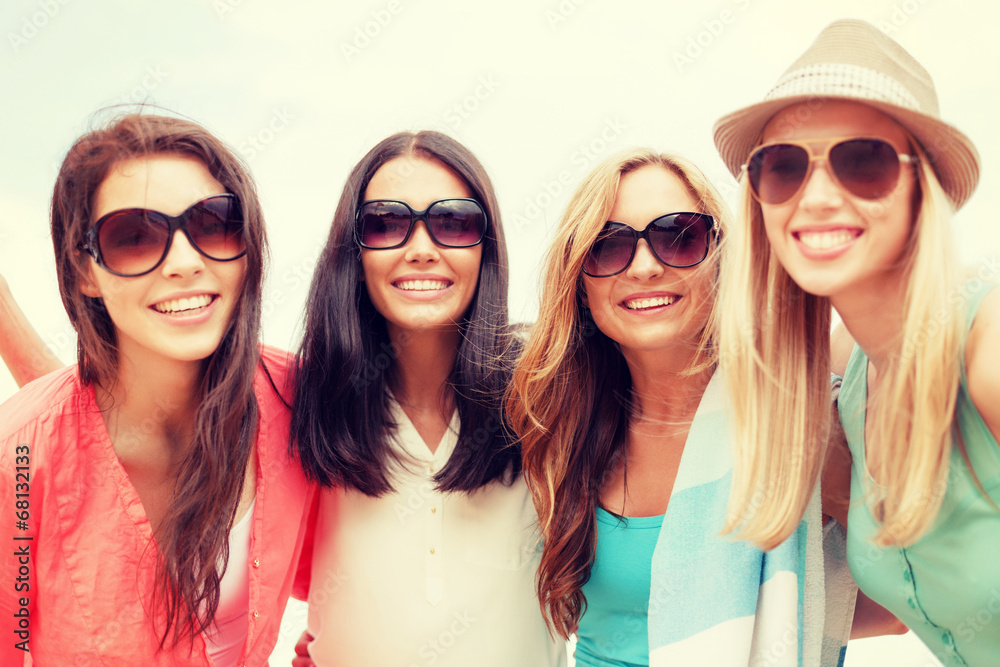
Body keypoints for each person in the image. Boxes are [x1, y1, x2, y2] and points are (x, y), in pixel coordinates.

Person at [714, 19, 999, 666]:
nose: (815, 198)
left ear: (922, 188)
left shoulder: (986, 350)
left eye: (862, 160)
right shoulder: (847, 382)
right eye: (783, 166)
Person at [506, 148, 851, 666]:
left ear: (720, 258)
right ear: (580, 286)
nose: (645, 267)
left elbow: (895, 598)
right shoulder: (554, 422)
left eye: (679, 236)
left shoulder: (797, 417)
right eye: (608, 246)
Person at [0, 113, 314, 666]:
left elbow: (365, 579)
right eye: (133, 238)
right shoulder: (19, 456)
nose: (185, 263)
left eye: (215, 224)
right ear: (84, 273)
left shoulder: (301, 402)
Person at [290, 131, 566, 666]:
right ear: (354, 250)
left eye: (454, 222)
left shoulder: (547, 394)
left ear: (487, 245)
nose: (421, 250)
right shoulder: (303, 405)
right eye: (386, 224)